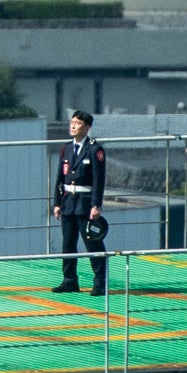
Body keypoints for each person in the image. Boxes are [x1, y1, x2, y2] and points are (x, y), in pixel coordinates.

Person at [51, 110, 108, 295]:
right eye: (72, 122)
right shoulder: (66, 148)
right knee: (68, 243)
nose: (73, 126)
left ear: (87, 127)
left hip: (85, 205)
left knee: (92, 243)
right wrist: (57, 203)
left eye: (77, 123)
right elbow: (60, 178)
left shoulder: (94, 150)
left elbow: (99, 180)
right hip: (68, 203)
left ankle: (100, 282)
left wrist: (96, 206)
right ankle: (69, 280)